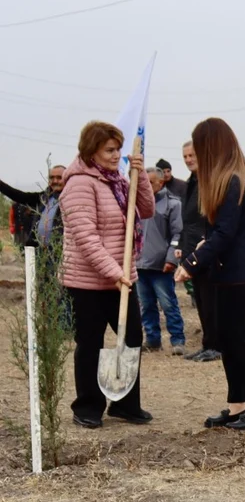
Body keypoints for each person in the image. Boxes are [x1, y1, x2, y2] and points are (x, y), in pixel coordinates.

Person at [176, 118, 245, 431]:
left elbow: (225, 234)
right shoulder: (226, 179)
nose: (196, 154)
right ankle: (237, 406)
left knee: (241, 341)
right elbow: (218, 233)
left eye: (200, 147)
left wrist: (190, 263)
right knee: (228, 341)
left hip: (243, 273)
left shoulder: (234, 181)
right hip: (230, 272)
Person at [58, 120, 155, 429]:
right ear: (92, 150)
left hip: (122, 279)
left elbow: (146, 209)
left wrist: (139, 177)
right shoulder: (79, 184)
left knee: (132, 338)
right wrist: (115, 272)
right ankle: (87, 405)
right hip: (87, 282)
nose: (116, 156)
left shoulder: (117, 181)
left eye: (118, 150)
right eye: (109, 150)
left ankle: (125, 403)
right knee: (90, 342)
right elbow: (87, 238)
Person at [135, 166, 186, 355]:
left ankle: (178, 340)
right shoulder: (137, 204)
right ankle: (153, 339)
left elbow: (177, 234)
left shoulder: (173, 204)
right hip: (140, 264)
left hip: (161, 266)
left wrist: (171, 258)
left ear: (161, 182)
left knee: (168, 303)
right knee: (146, 304)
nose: (145, 186)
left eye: (150, 182)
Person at [179, 140, 221, 362]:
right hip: (191, 251)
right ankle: (207, 343)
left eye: (192, 155)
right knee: (201, 300)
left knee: (211, 300)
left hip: (206, 251)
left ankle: (216, 345)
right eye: (185, 156)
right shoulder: (192, 183)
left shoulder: (211, 181)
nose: (188, 160)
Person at [1, 164, 67, 247]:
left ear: (67, 178)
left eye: (59, 178)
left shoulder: (72, 199)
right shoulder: (44, 197)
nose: (55, 181)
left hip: (62, 252)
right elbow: (20, 196)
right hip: (42, 252)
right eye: (52, 178)